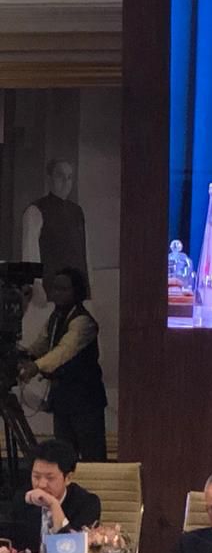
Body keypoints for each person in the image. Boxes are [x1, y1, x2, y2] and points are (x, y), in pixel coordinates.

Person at [19, 266, 107, 461]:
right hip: (62, 400)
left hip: (85, 401)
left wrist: (35, 367)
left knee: (92, 457)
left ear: (77, 292)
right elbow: (43, 343)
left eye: (63, 289)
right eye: (55, 288)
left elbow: (63, 351)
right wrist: (25, 355)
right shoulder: (56, 317)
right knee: (64, 456)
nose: (57, 293)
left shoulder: (83, 322)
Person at [11, 439, 101, 553]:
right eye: (36, 477)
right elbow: (14, 545)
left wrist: (53, 505)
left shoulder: (87, 503)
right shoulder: (23, 500)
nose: (41, 485)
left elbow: (72, 552)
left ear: (68, 478)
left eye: (50, 478)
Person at [21, 158, 89, 292]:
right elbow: (30, 252)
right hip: (50, 290)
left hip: (76, 289)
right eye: (60, 176)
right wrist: (36, 287)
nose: (65, 181)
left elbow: (85, 254)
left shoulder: (77, 211)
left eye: (69, 177)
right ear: (49, 178)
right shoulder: (35, 210)